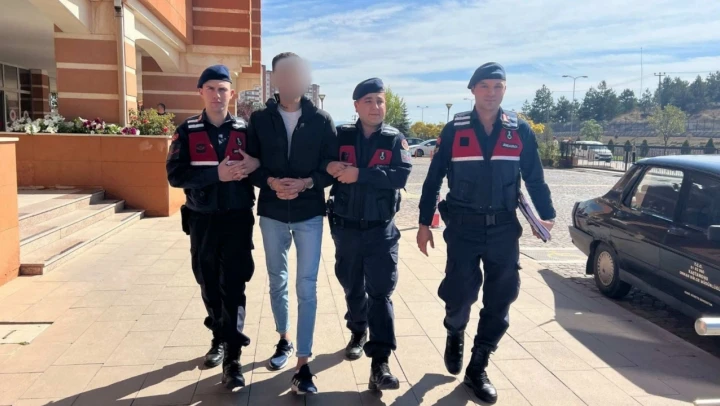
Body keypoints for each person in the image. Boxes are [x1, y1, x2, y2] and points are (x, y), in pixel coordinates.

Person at [416, 62, 556, 404]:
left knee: (502, 297)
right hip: (463, 227)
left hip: (504, 228)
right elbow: (433, 179)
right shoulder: (454, 130)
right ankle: (455, 330)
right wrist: (423, 223)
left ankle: (478, 365)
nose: (491, 93)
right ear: (473, 90)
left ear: (505, 90)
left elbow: (534, 177)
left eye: (497, 86)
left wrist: (547, 215)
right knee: (459, 294)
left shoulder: (519, 130)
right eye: (484, 86)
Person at [246, 52, 337, 395]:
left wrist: (307, 183)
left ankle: (303, 364)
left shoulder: (322, 120)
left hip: (309, 213)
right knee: (277, 280)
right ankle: (284, 339)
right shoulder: (259, 120)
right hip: (271, 212)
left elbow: (331, 166)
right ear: (275, 78)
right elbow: (251, 164)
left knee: (307, 285)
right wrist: (270, 182)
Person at [166, 64, 260, 390]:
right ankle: (219, 337)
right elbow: (175, 175)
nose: (217, 95)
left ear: (231, 94)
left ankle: (233, 357)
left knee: (233, 285)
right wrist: (214, 175)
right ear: (201, 92)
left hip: (237, 219)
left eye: (223, 89)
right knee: (207, 282)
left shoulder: (246, 130)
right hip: (202, 219)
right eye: (211, 89)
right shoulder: (187, 131)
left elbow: (263, 164)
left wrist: (257, 163)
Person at [326, 78, 412, 391]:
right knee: (351, 285)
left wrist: (359, 174)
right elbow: (321, 163)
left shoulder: (394, 139)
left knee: (380, 292)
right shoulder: (341, 135)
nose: (376, 107)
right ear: (356, 106)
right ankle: (358, 330)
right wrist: (330, 165)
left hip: (380, 230)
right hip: (346, 228)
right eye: (369, 101)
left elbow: (401, 175)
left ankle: (380, 363)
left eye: (380, 101)